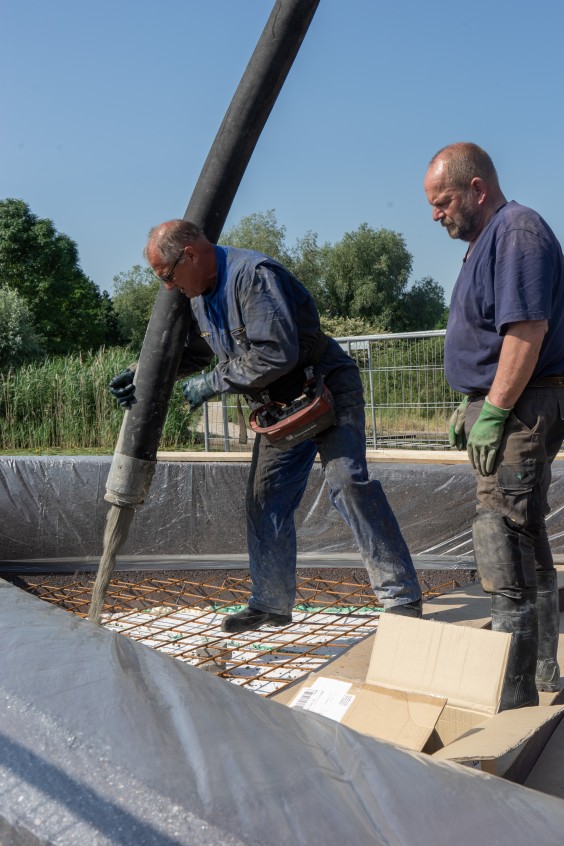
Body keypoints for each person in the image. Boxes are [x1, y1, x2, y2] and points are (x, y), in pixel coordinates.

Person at [110, 219, 422, 633]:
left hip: (323, 386)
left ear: (189, 255)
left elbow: (276, 352)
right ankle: (271, 604)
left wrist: (211, 384)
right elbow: (194, 352)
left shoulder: (253, 276)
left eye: (167, 276)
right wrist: (142, 373)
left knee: (348, 482)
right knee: (265, 499)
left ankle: (400, 597)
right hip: (280, 406)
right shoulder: (200, 294)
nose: (168, 287)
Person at [424, 142, 564, 710]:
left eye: (444, 201)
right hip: (507, 401)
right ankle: (544, 674)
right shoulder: (489, 241)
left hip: (524, 404)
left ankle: (511, 694)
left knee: (499, 532)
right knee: (522, 534)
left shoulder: (518, 232)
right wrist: (475, 403)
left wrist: (496, 409)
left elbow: (525, 331)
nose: (438, 214)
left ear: (477, 188)